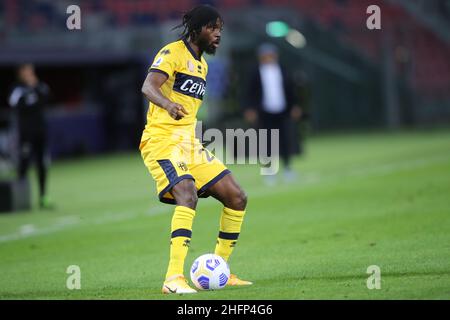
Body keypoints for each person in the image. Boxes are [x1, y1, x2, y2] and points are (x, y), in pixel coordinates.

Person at [140, 5, 251, 294]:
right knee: (186, 194)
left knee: (236, 197)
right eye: (212, 28)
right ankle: (173, 278)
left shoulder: (203, 65)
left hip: (189, 143)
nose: (218, 34)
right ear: (197, 29)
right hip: (162, 139)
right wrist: (167, 104)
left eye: (220, 30)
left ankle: (221, 269)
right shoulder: (172, 53)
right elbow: (148, 86)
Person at [245, 43, 302, 184]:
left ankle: (288, 169)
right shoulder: (255, 72)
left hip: (282, 111)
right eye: (265, 55)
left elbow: (291, 90)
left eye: (271, 55)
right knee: (266, 142)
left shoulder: (283, 70)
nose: (268, 58)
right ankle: (269, 172)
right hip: (264, 112)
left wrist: (295, 106)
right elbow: (249, 93)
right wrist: (250, 109)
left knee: (285, 140)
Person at [8, 64, 53, 209]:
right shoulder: (17, 89)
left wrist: (34, 87)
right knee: (24, 164)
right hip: (26, 133)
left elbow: (47, 97)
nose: (29, 74)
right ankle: (20, 199)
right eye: (26, 71)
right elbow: (14, 104)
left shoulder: (39, 86)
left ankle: (43, 197)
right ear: (20, 73)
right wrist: (30, 99)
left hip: (40, 132)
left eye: (31, 71)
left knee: (42, 164)